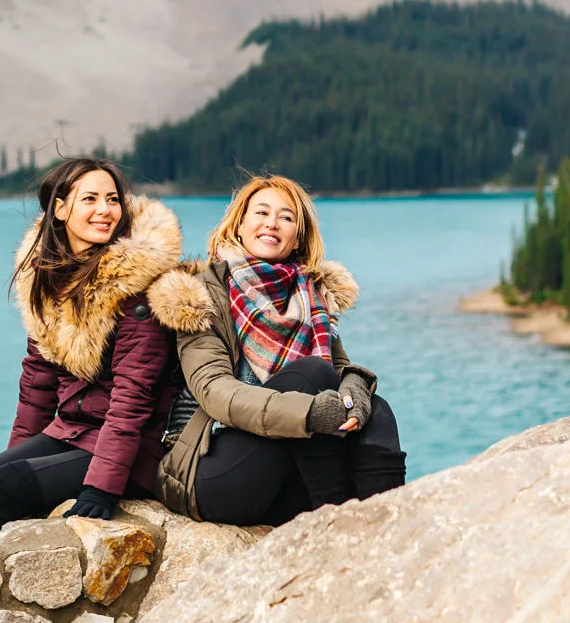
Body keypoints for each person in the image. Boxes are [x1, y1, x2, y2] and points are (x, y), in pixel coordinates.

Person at [0, 157, 182, 538]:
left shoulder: (138, 293)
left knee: (6, 486)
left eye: (113, 199)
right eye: (91, 199)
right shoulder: (49, 280)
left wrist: (101, 487)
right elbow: (38, 383)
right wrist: (12, 458)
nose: (105, 210)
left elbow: (133, 400)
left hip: (134, 450)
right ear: (62, 210)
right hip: (71, 431)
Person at [149, 174, 406, 525]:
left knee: (377, 409)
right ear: (238, 224)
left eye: (286, 217)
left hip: (283, 471)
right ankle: (337, 522)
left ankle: (388, 524)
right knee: (311, 374)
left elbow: (339, 369)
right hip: (212, 467)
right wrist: (310, 413)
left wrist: (356, 389)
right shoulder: (202, 292)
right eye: (261, 213)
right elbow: (215, 392)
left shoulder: (310, 294)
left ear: (298, 236)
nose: (272, 223)